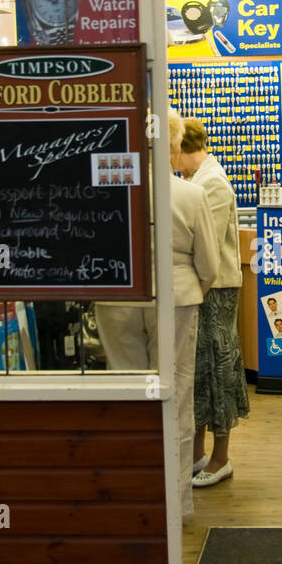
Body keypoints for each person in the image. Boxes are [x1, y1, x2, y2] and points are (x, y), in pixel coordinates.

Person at [96, 111, 218, 516]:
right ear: (175, 145)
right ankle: (177, 501)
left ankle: (132, 493)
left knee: (126, 393)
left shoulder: (110, 188)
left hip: (117, 296)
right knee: (177, 398)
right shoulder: (190, 195)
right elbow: (209, 265)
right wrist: (188, 290)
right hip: (177, 300)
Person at [175, 117, 250, 488]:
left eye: (174, 152)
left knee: (220, 369)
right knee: (201, 370)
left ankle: (221, 458)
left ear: (183, 147)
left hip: (216, 288)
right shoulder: (199, 180)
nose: (173, 161)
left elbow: (205, 242)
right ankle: (197, 454)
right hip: (203, 287)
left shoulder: (213, 183)